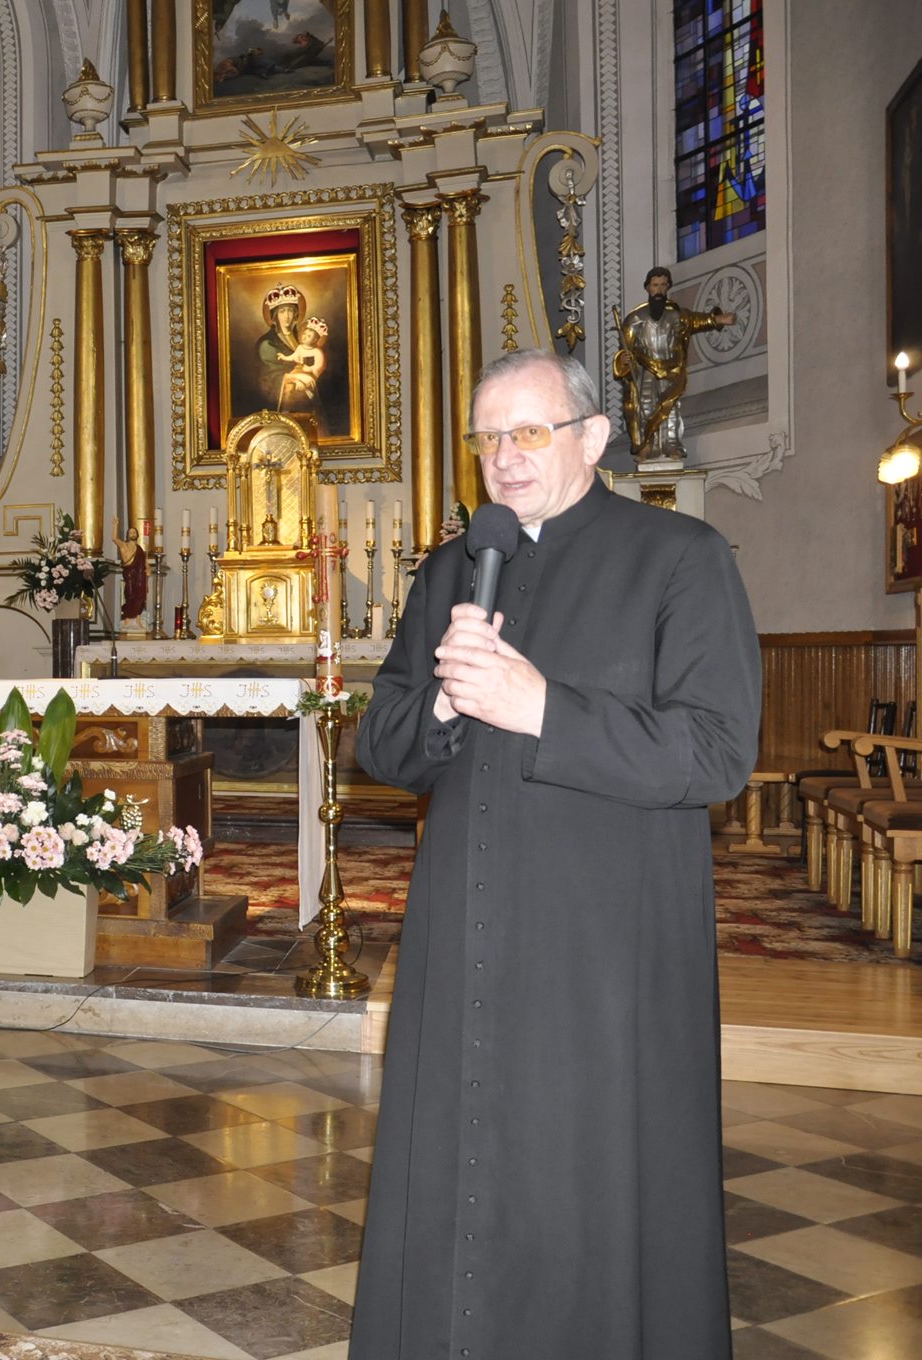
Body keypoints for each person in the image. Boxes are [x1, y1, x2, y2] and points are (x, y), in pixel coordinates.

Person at [350, 349, 759, 1359]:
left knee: (587, 1172)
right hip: (464, 932)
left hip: (603, 947)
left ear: (593, 437)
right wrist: (443, 704)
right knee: (457, 1161)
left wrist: (542, 709)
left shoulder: (680, 556)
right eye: (487, 437)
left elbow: (715, 754)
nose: (504, 456)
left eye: (528, 431)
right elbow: (382, 746)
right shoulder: (451, 569)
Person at [610, 265, 737, 462]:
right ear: (647, 288)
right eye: (655, 285)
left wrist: (718, 319)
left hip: (671, 370)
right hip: (646, 371)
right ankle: (645, 445)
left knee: (670, 408)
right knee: (645, 406)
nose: (659, 290)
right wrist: (624, 360)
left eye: (663, 285)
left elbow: (697, 321)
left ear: (668, 287)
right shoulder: (635, 319)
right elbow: (624, 349)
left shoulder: (677, 315)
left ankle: (672, 445)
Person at [276, 316, 328, 412]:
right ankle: (286, 409)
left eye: (309, 336)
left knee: (298, 386)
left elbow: (320, 366)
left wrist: (311, 369)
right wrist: (284, 357)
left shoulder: (317, 352)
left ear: (315, 340)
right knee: (288, 384)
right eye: (304, 334)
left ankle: (301, 407)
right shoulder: (300, 347)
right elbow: (293, 356)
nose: (304, 336)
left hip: (309, 375)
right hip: (297, 371)